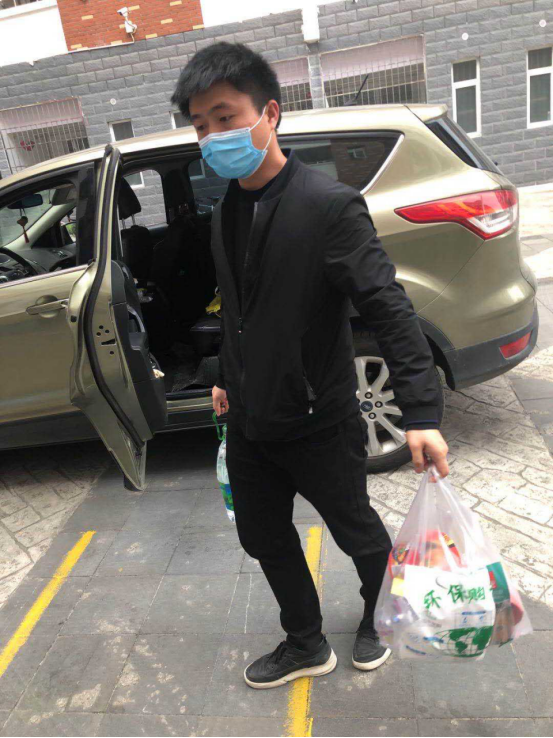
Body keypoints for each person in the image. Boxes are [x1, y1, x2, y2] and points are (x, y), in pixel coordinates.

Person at [171, 42, 449, 690]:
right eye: (201, 125)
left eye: (225, 117)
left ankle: (379, 614)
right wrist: (225, 375)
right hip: (250, 419)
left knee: (356, 530)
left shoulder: (328, 205)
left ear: (269, 113)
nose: (212, 136)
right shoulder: (226, 210)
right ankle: (304, 641)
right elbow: (240, 307)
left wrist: (421, 412)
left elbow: (387, 307)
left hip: (319, 418)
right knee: (263, 536)